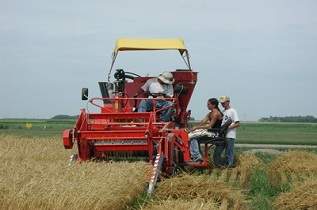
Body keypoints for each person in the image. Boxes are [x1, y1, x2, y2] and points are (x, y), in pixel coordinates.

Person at [213, 96, 240, 167]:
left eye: (224, 103)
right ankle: (221, 165)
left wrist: (227, 128)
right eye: (221, 103)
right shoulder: (223, 112)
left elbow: (237, 124)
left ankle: (229, 167)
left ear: (228, 102)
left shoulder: (233, 111)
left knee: (229, 152)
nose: (222, 104)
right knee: (217, 152)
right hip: (222, 136)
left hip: (230, 136)